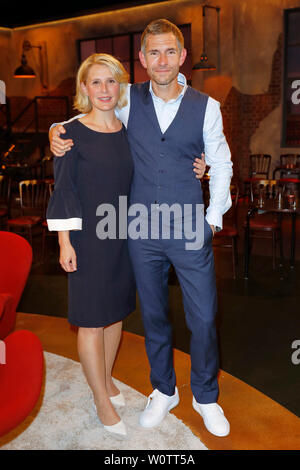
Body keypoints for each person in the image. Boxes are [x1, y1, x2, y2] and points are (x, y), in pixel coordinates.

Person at [49, 19, 232, 437]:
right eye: (154, 52)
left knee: (203, 318)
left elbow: (221, 164)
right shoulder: (127, 98)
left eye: (170, 51)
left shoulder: (206, 106)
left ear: (182, 57)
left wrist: (211, 219)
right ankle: (163, 389)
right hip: (139, 229)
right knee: (153, 317)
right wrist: (53, 133)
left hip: (189, 228)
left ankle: (205, 396)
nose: (162, 60)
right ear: (143, 59)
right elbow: (83, 120)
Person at [46, 53, 136, 437]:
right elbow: (63, 188)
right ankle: (99, 398)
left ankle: (108, 380)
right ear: (83, 88)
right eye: (96, 82)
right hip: (86, 238)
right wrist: (65, 242)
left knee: (115, 312)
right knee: (91, 319)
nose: (104, 89)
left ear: (121, 86)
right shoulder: (69, 132)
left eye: (111, 81)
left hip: (122, 233)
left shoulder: (128, 127)